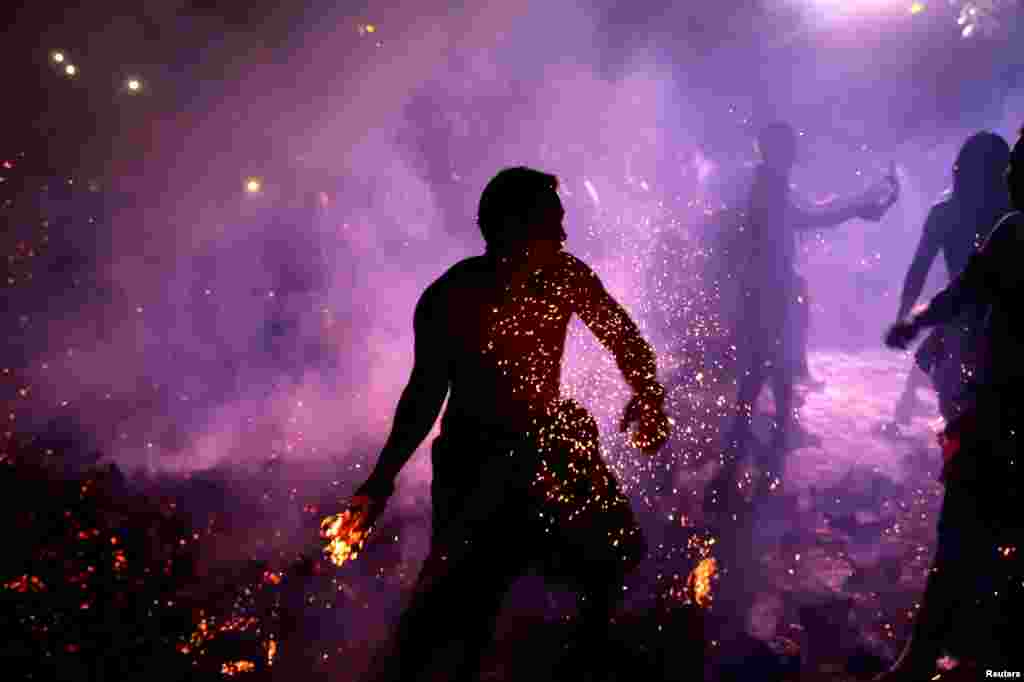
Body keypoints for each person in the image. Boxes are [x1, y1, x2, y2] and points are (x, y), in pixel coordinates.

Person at [347, 167, 672, 681]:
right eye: (552, 224)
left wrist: (650, 395)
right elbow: (424, 396)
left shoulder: (565, 276)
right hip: (475, 460)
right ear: (511, 227)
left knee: (616, 551)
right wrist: (380, 480)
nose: (564, 236)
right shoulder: (454, 296)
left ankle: (582, 659)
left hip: (548, 443)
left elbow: (624, 338)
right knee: (460, 606)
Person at [881, 127, 1024, 679]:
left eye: (1010, 167)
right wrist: (913, 319)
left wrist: (913, 322)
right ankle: (973, 658)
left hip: (997, 401)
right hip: (983, 379)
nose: (1006, 177)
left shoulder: (1012, 224)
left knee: (965, 529)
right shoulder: (971, 216)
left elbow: (968, 286)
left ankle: (937, 659)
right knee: (982, 528)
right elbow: (944, 277)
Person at [713, 121, 898, 502]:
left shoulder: (763, 184)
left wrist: (860, 204)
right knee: (763, 380)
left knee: (770, 378)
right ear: (777, 150)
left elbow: (811, 212)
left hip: (762, 294)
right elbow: (814, 214)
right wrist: (861, 203)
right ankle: (739, 476)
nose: (795, 153)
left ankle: (744, 473)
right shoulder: (770, 188)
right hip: (769, 296)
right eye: (789, 147)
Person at [890, 132, 1011, 426]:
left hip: (978, 319)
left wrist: (906, 316)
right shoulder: (958, 212)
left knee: (966, 414)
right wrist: (906, 315)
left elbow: (919, 269)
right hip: (973, 318)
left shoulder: (999, 213)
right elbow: (919, 269)